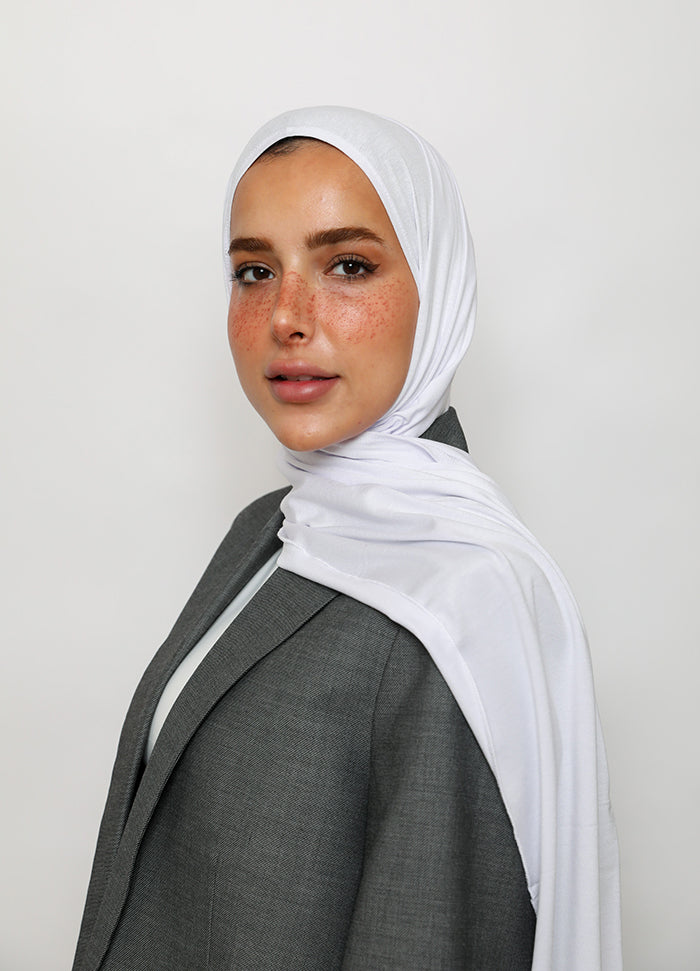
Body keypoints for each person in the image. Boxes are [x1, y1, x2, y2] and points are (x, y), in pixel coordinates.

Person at [72, 107, 621, 971]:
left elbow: (427, 940)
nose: (287, 317)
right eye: (255, 271)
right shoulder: (270, 529)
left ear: (437, 288)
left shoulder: (457, 603)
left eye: (348, 266)